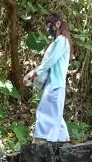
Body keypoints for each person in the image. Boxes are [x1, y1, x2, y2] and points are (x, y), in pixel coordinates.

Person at [24, 13, 72, 143]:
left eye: (50, 26)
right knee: (55, 115)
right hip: (55, 84)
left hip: (55, 85)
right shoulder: (59, 41)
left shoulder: (62, 41)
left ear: (58, 24)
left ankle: (36, 142)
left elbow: (50, 61)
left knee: (43, 112)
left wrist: (33, 73)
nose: (48, 29)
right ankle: (64, 141)